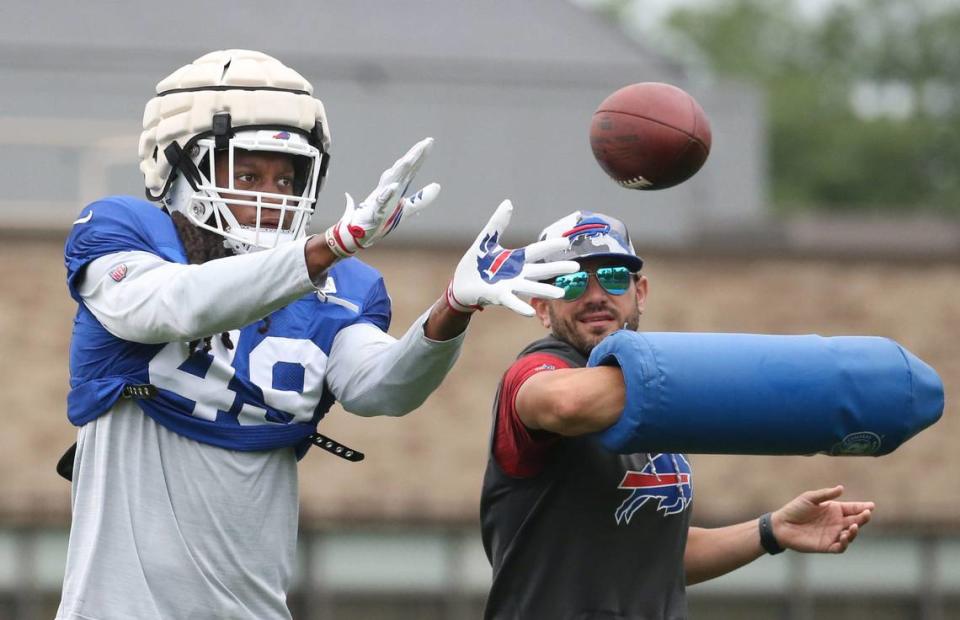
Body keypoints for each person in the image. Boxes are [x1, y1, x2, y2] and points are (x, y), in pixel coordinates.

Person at [56, 49, 577, 620]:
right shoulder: (125, 231)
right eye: (248, 174)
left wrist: (451, 310)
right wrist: (329, 246)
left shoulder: (340, 285)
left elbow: (383, 389)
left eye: (287, 177)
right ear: (176, 167)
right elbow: (173, 306)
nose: (271, 196)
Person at [480, 210, 876, 619]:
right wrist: (698, 378)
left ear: (641, 292)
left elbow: (657, 556)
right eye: (571, 281)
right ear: (542, 308)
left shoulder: (653, 398)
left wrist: (771, 530)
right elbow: (564, 403)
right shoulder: (537, 370)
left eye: (614, 276)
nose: (595, 294)